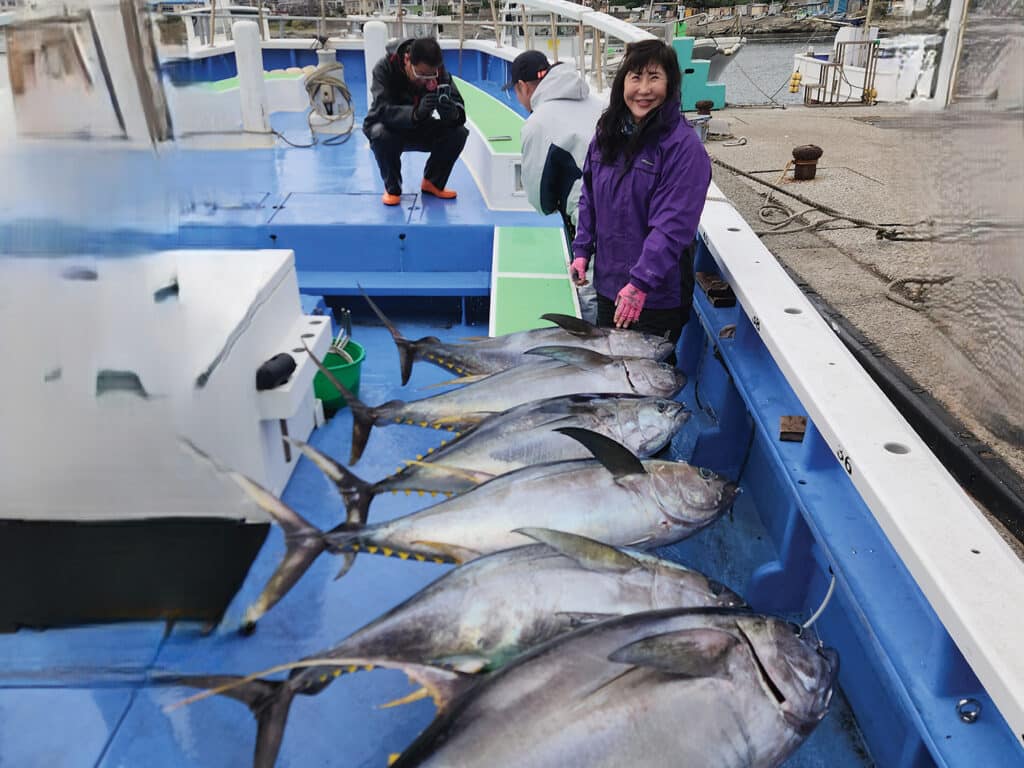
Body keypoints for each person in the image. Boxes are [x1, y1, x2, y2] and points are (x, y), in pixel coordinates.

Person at [571, 39, 711, 353]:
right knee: (611, 369)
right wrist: (582, 249)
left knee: (648, 379)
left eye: (654, 77)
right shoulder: (607, 134)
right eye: (635, 77)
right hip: (609, 284)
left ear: (671, 84)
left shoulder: (684, 149)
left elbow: (672, 226)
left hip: (657, 295)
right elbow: (589, 196)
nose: (644, 89)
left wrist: (640, 284)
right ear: (623, 82)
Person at [504, 50, 603, 322]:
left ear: (522, 87)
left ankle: (593, 353)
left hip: (590, 218)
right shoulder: (595, 102)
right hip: (629, 208)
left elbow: (541, 201)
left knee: (589, 291)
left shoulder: (538, 122)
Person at [363, 37, 469, 206]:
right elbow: (382, 110)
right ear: (407, 60)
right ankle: (393, 188)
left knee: (458, 133)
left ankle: (433, 183)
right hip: (391, 128)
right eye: (420, 74)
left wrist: (452, 113)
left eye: (431, 75)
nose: (426, 80)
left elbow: (458, 107)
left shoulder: (436, 70)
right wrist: (415, 113)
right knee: (380, 134)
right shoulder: (384, 68)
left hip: (420, 127)